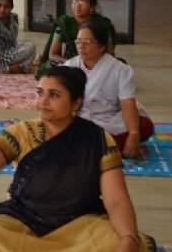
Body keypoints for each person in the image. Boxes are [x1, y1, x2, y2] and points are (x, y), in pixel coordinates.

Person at [0, 66, 155, 252]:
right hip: (25, 221)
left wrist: (128, 238)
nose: (43, 101)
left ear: (76, 103)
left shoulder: (97, 139)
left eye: (54, 95)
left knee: (123, 243)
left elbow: (115, 200)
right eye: (40, 93)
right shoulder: (22, 132)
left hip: (79, 225)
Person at [64, 22, 154, 158]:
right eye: (78, 41)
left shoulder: (121, 70)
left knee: (145, 126)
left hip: (111, 118)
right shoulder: (69, 67)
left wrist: (133, 134)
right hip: (79, 118)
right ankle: (105, 147)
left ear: (102, 47)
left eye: (87, 42)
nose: (81, 46)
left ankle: (91, 147)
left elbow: (127, 104)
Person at [35, 0, 117, 78]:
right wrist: (72, 64)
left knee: (117, 66)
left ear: (92, 7)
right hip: (70, 64)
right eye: (74, 2)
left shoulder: (103, 25)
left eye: (82, 3)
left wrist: (90, 65)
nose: (77, 6)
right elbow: (53, 55)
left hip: (95, 63)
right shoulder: (64, 24)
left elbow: (109, 54)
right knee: (50, 65)